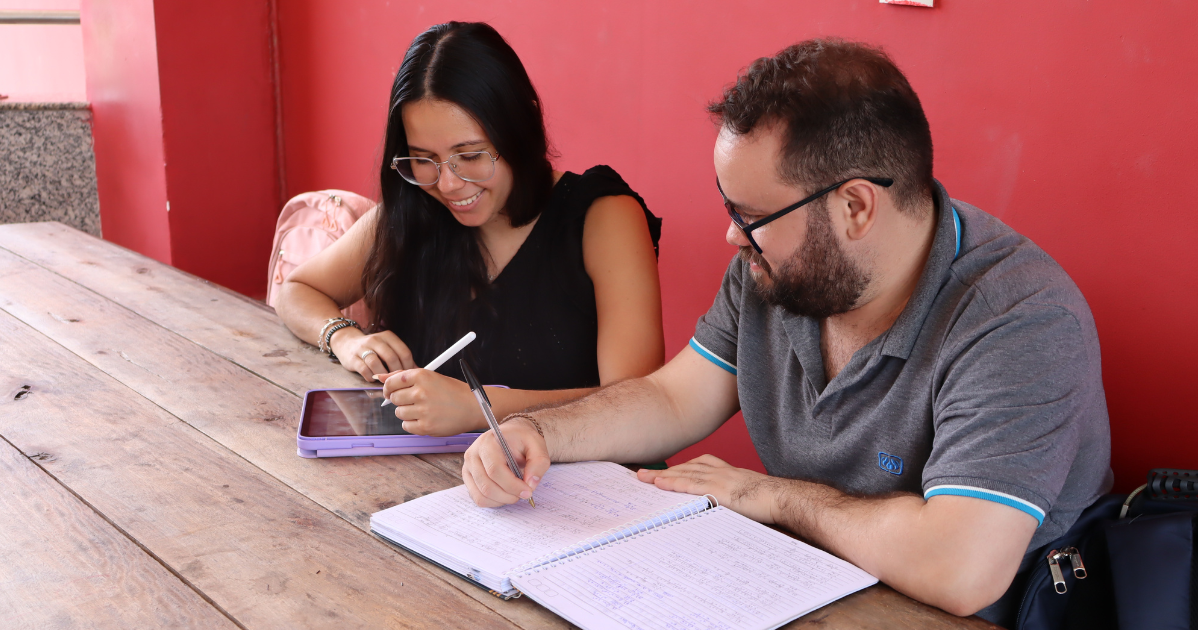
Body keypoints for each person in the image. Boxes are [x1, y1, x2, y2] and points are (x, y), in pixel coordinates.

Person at [461, 39, 1112, 627]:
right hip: (799, 595)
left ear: (855, 206)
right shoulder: (775, 269)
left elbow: (961, 569)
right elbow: (674, 398)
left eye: (750, 216)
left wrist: (764, 494)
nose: (730, 236)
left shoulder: (1018, 317)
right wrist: (540, 434)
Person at [275, 22, 665, 437]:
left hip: (579, 483)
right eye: (423, 158)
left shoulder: (602, 216)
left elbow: (636, 404)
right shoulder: (415, 207)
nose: (448, 184)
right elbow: (297, 291)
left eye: (470, 155)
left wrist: (482, 408)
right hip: (432, 482)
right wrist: (345, 339)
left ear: (522, 126)